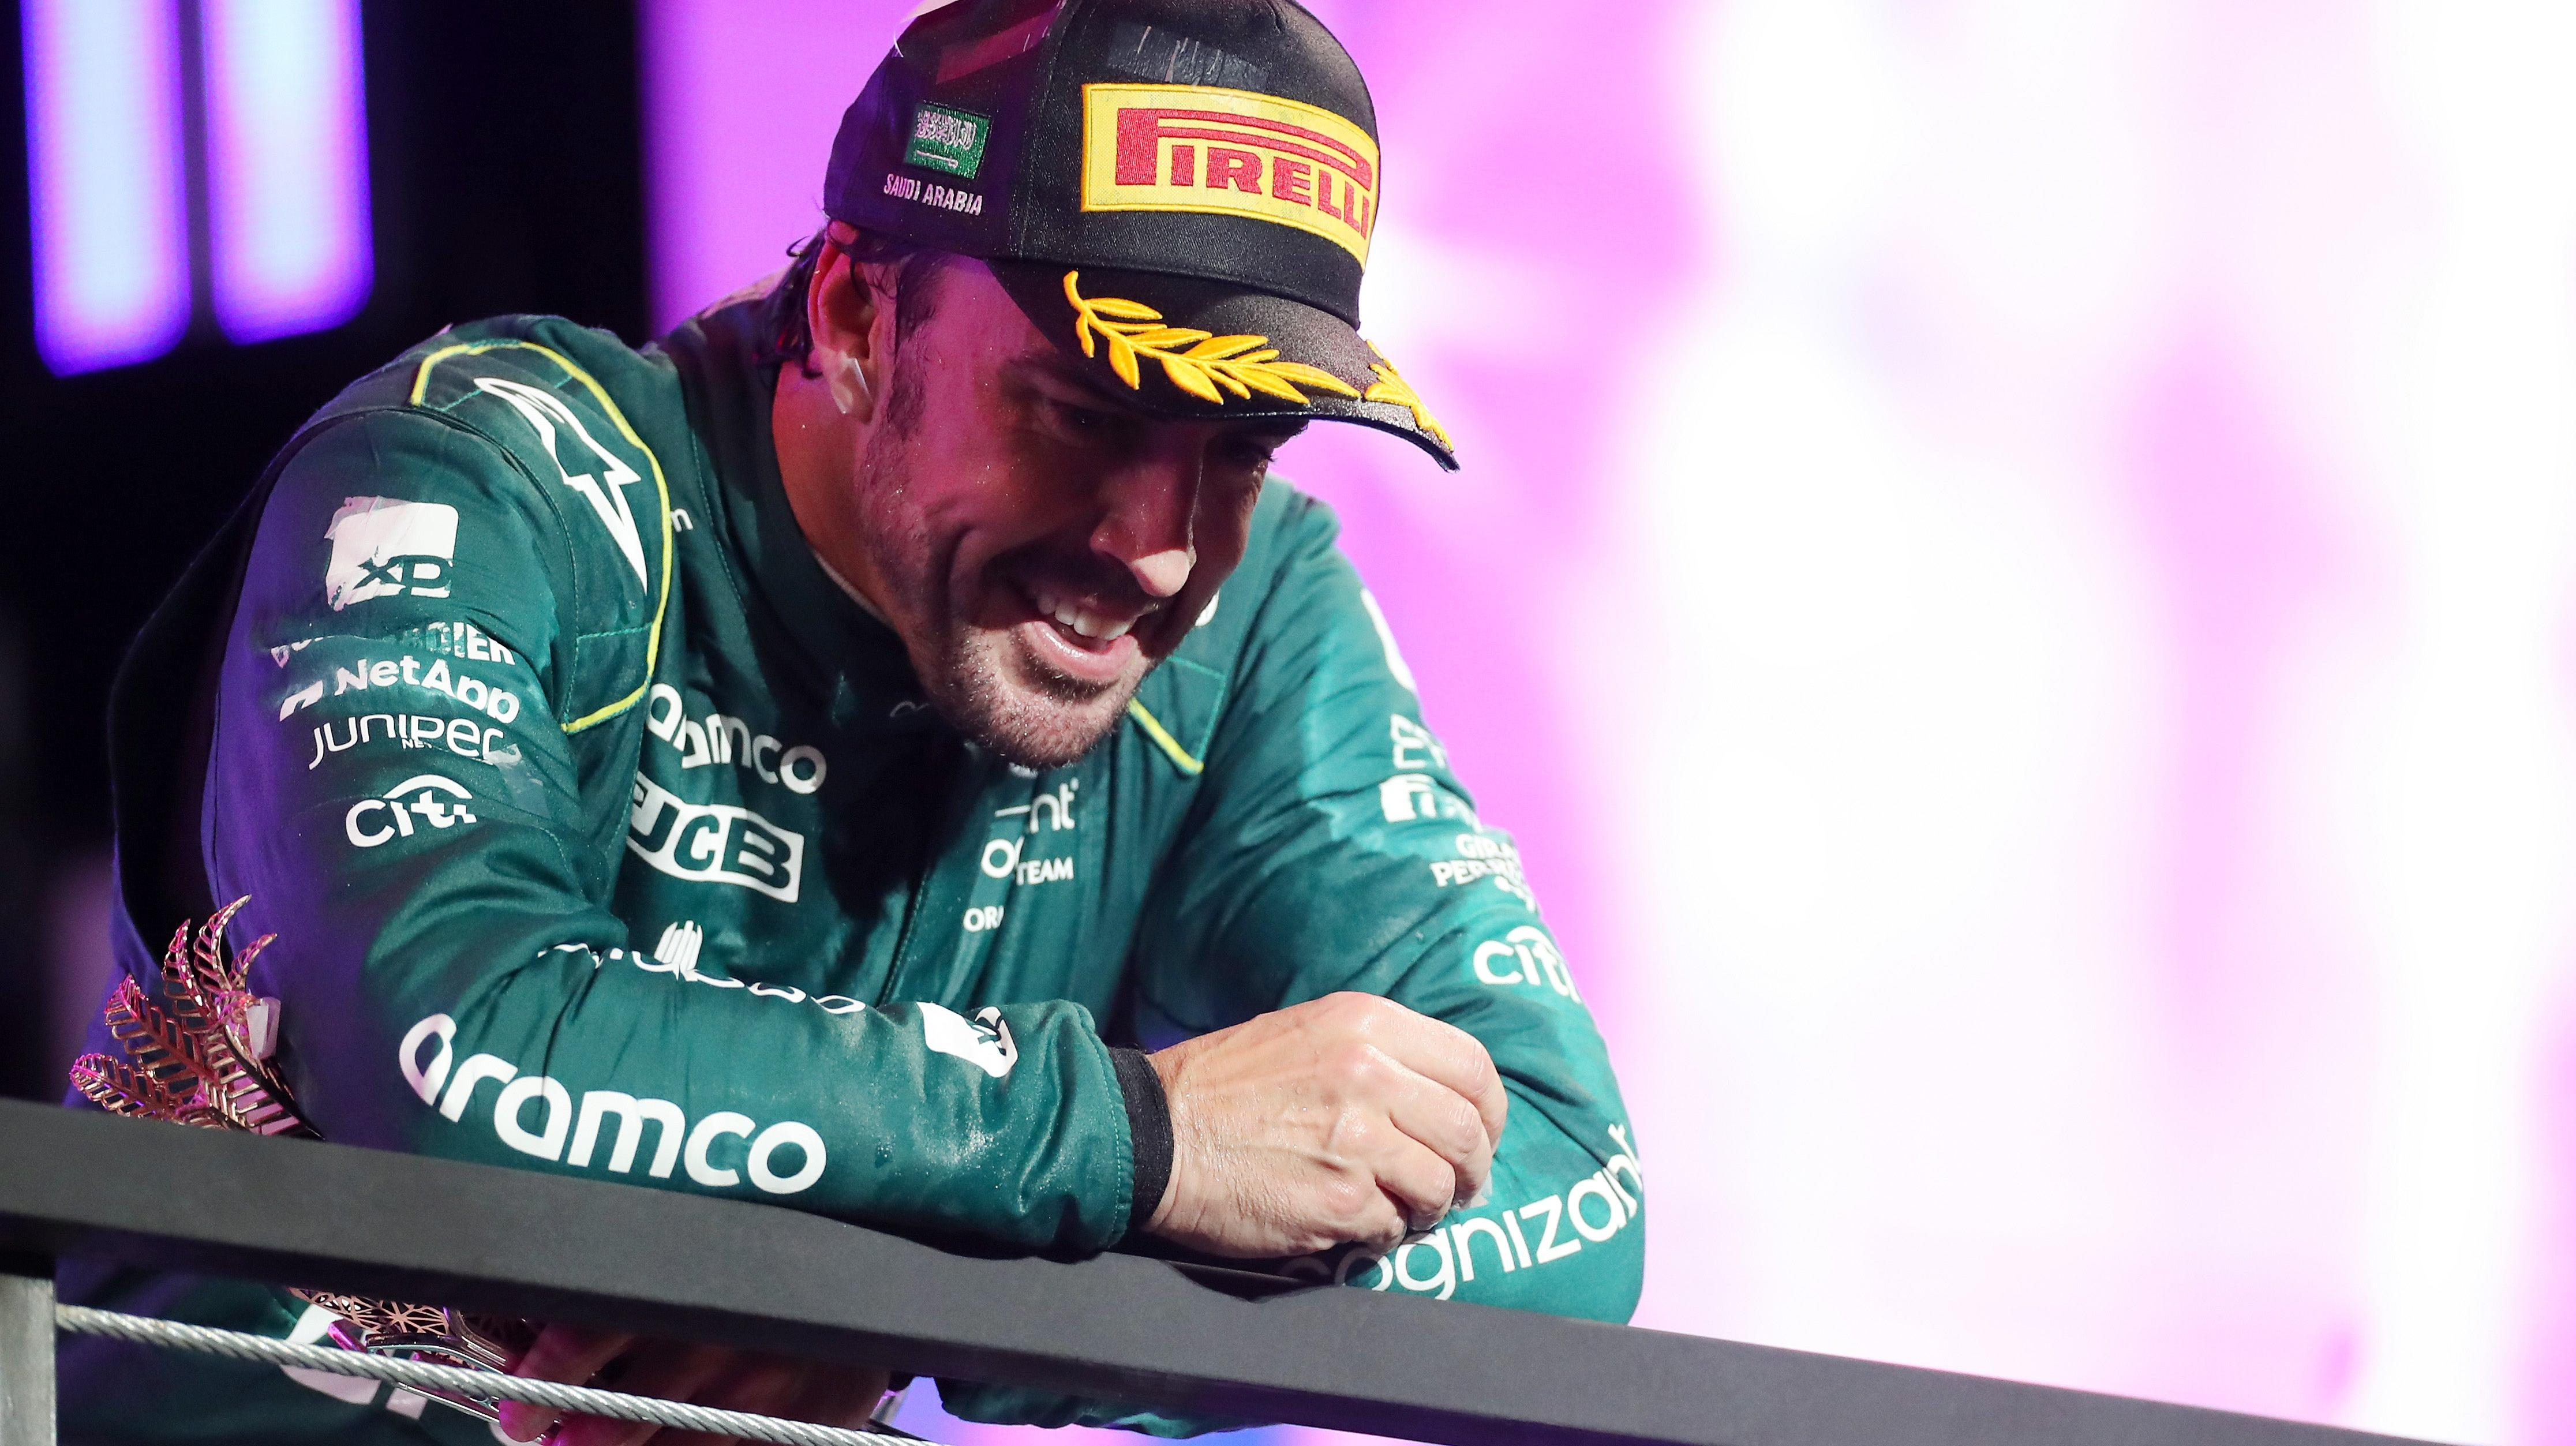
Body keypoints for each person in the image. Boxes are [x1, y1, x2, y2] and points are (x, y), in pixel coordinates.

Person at [62, 1, 1642, 1441]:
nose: (1158, 543)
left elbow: (1574, 1204)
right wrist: (1137, 1143)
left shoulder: (1265, 609)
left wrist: (918, 1302)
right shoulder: (482, 469)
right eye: (1089, 412)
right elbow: (447, 1050)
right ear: (855, 316)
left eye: (1243, 448)